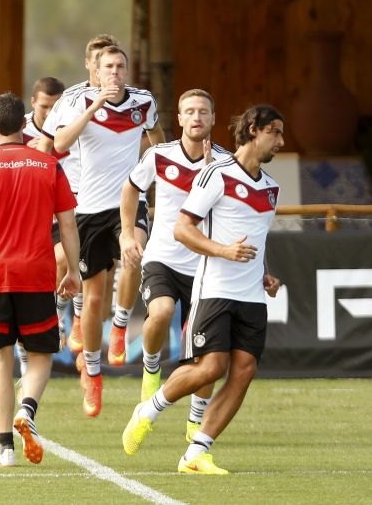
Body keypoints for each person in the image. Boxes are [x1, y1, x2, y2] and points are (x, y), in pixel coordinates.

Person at [122, 104, 284, 475]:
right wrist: (223, 251)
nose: (281, 140)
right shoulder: (217, 174)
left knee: (244, 371)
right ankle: (148, 409)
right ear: (255, 130)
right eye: (275, 131)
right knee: (211, 367)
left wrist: (265, 273)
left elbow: (255, 237)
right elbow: (183, 229)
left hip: (251, 297)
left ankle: (197, 452)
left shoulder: (272, 187)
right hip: (214, 289)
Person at [0, 93, 80, 467]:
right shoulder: (49, 165)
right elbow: (68, 225)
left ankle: (5, 447)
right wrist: (72, 270)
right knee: (40, 357)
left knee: (1, 361)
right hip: (38, 274)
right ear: (25, 126)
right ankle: (28, 408)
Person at [53, 45, 164, 417]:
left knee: (134, 254)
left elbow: (159, 143)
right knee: (93, 299)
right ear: (96, 72)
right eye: (108, 68)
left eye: (120, 67)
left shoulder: (143, 102)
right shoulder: (78, 100)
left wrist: (161, 173)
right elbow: (59, 143)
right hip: (88, 210)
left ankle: (121, 325)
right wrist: (92, 107)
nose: (114, 73)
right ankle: (93, 374)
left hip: (128, 204)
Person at [119, 89, 231, 442]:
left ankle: (196, 420)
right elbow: (131, 188)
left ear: (213, 119)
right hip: (163, 257)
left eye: (203, 111)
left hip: (206, 265)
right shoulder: (158, 155)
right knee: (162, 311)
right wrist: (126, 234)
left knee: (208, 352)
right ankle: (151, 368)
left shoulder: (226, 163)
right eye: (189, 111)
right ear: (179, 119)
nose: (197, 117)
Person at [39, 35, 116, 356]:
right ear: (89, 64)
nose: (105, 70)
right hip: (71, 197)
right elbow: (48, 146)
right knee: (61, 258)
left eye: (112, 64)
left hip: (110, 201)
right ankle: (59, 316)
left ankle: (88, 328)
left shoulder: (129, 101)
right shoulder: (71, 100)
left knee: (105, 291)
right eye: (99, 62)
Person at [13, 77, 66, 378]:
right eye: (45, 107)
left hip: (61, 213)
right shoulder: (17, 126)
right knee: (24, 290)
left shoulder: (71, 123)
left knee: (62, 259)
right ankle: (24, 364)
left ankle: (60, 314)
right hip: (26, 217)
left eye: (56, 106)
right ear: (33, 103)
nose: (51, 113)